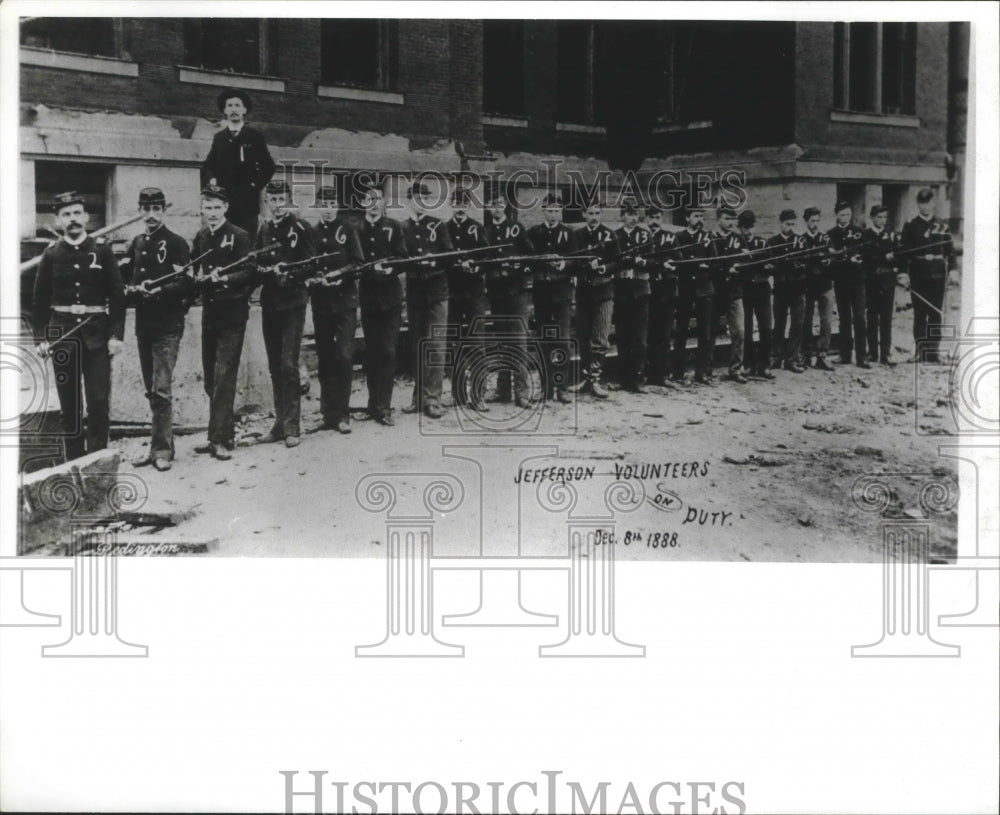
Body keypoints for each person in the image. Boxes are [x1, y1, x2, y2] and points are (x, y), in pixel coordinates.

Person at [33, 191, 126, 462]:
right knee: (70, 406)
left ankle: (96, 462)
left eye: (76, 213)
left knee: (98, 401)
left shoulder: (103, 250)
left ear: (85, 217)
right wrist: (41, 337)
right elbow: (38, 301)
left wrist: (116, 335)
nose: (72, 219)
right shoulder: (50, 255)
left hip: (97, 336)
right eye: (66, 214)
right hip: (62, 337)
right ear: (58, 220)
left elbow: (117, 295)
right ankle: (74, 462)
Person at [121, 187, 193, 470]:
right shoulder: (136, 242)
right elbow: (124, 279)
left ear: (164, 210)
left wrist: (159, 291)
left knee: (161, 389)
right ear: (140, 210)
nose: (151, 215)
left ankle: (162, 451)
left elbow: (188, 282)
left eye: (156, 210)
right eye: (146, 209)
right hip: (144, 326)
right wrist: (130, 290)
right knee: (152, 391)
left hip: (168, 326)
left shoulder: (176, 243)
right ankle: (159, 448)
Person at [191, 184, 254, 461]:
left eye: (218, 207)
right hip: (210, 316)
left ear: (225, 208)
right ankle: (224, 434)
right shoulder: (202, 236)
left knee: (224, 377)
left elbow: (250, 271)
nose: (213, 213)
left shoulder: (239, 236)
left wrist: (225, 279)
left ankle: (217, 438)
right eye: (208, 207)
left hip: (232, 316)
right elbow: (195, 267)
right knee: (210, 379)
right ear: (202, 209)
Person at [254, 180, 315, 448]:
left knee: (288, 365)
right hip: (270, 304)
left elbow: (312, 264)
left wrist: (288, 272)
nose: (277, 205)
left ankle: (293, 427)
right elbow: (256, 262)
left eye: (282, 199)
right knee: (274, 366)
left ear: (289, 200)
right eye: (272, 199)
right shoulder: (264, 229)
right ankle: (279, 425)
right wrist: (264, 271)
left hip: (293, 303)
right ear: (267, 201)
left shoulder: (301, 227)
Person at [309, 185, 365, 433]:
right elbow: (308, 263)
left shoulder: (348, 228)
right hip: (321, 302)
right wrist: (316, 276)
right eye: (324, 204)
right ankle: (326, 414)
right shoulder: (312, 232)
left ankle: (342, 415)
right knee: (325, 357)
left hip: (344, 302)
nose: (328, 209)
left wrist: (340, 275)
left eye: (332, 204)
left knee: (343, 355)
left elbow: (358, 263)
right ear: (318, 206)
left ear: (337, 207)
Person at [400, 181, 453, 419]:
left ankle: (433, 400)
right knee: (417, 344)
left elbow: (450, 256)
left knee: (436, 346)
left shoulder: (438, 225)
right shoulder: (402, 227)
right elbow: (399, 258)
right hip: (415, 292)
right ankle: (418, 398)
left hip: (437, 293)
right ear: (409, 201)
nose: (419, 202)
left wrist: (435, 261)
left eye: (424, 198)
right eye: (415, 198)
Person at [357, 186, 407, 426]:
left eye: (377, 199)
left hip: (391, 300)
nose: (373, 203)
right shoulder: (356, 228)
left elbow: (403, 257)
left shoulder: (393, 226)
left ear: (384, 201)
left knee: (388, 352)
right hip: (368, 297)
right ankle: (372, 403)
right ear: (362, 202)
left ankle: (384, 407)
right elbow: (354, 262)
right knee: (372, 352)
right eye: (368, 199)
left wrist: (392, 268)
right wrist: (369, 269)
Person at [200, 89, 276, 240]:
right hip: (224, 203)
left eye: (237, 105)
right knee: (223, 241)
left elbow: (269, 166)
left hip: (246, 204)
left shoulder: (254, 137)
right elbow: (209, 165)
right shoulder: (220, 138)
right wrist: (212, 180)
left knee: (245, 242)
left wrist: (254, 185)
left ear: (244, 110)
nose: (233, 109)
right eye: (229, 106)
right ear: (225, 110)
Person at [482, 192, 534, 407]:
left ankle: (521, 393)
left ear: (505, 206)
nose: (496, 208)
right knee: (502, 342)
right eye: (492, 204)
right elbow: (483, 260)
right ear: (487, 207)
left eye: (500, 204)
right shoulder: (485, 232)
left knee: (519, 342)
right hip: (496, 293)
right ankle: (502, 391)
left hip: (517, 293)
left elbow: (529, 255)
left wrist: (514, 268)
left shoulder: (517, 228)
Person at [526, 192, 578, 404]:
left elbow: (577, 258)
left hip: (562, 293)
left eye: (557, 210)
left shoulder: (569, 233)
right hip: (542, 293)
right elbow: (527, 257)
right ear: (544, 211)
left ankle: (562, 387)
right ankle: (546, 388)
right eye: (550, 210)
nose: (554, 214)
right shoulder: (534, 232)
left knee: (563, 341)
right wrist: (540, 262)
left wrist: (564, 264)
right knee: (544, 340)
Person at [446, 188, 491, 412]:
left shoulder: (477, 228)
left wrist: (474, 266)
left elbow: (486, 258)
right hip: (452, 293)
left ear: (469, 206)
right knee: (454, 343)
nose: (460, 207)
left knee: (477, 343)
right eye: (456, 203)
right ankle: (458, 394)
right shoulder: (443, 229)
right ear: (451, 205)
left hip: (474, 293)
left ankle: (478, 394)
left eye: (464, 203)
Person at [573, 200, 619, 398]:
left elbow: (619, 261)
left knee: (600, 337)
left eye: (597, 213)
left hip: (603, 291)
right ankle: (584, 379)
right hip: (583, 291)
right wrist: (584, 266)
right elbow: (571, 260)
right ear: (584, 214)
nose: (594, 217)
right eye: (590, 213)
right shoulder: (577, 235)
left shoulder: (610, 234)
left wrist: (604, 268)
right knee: (583, 337)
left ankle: (595, 380)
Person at [901, 188, 952, 363]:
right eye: (922, 203)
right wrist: (902, 274)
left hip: (938, 274)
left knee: (936, 313)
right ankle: (920, 351)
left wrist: (953, 271)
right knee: (920, 313)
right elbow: (903, 251)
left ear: (933, 203)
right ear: (918, 204)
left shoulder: (942, 224)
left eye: (928, 203)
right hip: (918, 273)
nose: (925, 207)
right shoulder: (910, 225)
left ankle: (934, 352)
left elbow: (950, 250)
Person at [670, 205, 714, 384]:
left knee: (705, 331)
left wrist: (699, 265)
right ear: (687, 218)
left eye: (702, 216)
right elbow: (678, 260)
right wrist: (696, 264)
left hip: (704, 289)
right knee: (681, 331)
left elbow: (714, 261)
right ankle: (678, 372)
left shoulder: (708, 238)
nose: (700, 219)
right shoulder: (679, 237)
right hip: (685, 288)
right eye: (696, 216)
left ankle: (701, 371)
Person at [612, 199, 651, 392]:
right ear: (622, 216)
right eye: (629, 214)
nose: (633, 218)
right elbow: (612, 261)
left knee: (639, 337)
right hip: (621, 290)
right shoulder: (615, 236)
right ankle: (623, 378)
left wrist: (643, 262)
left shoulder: (645, 235)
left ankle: (638, 378)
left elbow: (654, 260)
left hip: (640, 290)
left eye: (636, 214)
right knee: (622, 335)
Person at [707, 206, 749, 383]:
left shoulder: (739, 239)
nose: (731, 222)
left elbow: (746, 260)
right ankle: (707, 369)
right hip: (715, 291)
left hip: (734, 291)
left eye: (733, 219)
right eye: (726, 218)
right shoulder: (710, 238)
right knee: (710, 332)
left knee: (739, 330)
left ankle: (735, 369)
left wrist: (737, 266)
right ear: (718, 220)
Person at [827, 201, 869, 367]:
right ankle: (844, 355)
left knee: (859, 317)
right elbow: (830, 259)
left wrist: (856, 261)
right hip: (841, 281)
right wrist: (845, 260)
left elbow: (866, 256)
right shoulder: (830, 235)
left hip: (857, 281)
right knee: (844, 319)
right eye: (842, 214)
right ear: (836, 215)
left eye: (848, 215)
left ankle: (862, 356)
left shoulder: (860, 233)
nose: (845, 218)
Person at [737, 210, 775, 379]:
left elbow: (772, 263)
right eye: (746, 228)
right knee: (746, 328)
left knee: (766, 327)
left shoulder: (762, 243)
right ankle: (748, 364)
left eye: (751, 227)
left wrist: (767, 267)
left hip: (762, 289)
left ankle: (765, 365)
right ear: (740, 228)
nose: (749, 231)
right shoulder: (736, 244)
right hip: (745, 290)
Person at [769, 209, 806, 373]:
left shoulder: (800, 241)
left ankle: (792, 359)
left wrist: (800, 266)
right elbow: (769, 266)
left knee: (797, 325)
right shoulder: (772, 242)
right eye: (787, 224)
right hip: (780, 290)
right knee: (779, 324)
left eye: (792, 224)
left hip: (797, 289)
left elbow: (806, 261)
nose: (790, 227)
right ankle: (776, 356)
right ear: (780, 223)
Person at [644, 204, 678, 386]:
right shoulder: (642, 237)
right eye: (651, 217)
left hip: (665, 290)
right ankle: (646, 373)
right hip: (647, 290)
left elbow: (678, 257)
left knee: (664, 333)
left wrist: (670, 263)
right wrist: (659, 263)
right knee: (647, 332)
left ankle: (662, 374)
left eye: (657, 217)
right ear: (645, 219)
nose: (654, 222)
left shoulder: (669, 237)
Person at [862, 205, 900, 367]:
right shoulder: (866, 235)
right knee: (871, 318)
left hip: (887, 282)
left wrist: (893, 261)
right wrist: (885, 256)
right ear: (872, 218)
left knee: (886, 318)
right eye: (879, 217)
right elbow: (867, 257)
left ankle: (886, 354)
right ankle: (872, 353)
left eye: (885, 217)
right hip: (871, 281)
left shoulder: (891, 235)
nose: (882, 220)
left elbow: (898, 255)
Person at [800, 206, 835, 371]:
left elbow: (833, 258)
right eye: (812, 221)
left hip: (825, 284)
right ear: (806, 221)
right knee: (806, 320)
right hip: (807, 286)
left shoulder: (826, 239)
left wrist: (829, 261)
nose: (815, 224)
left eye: (817, 220)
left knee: (826, 320)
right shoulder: (801, 240)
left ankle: (823, 354)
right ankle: (807, 353)